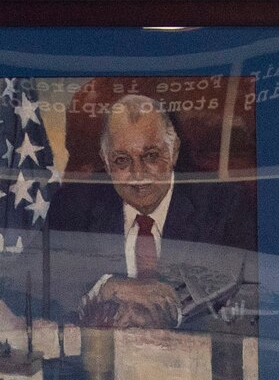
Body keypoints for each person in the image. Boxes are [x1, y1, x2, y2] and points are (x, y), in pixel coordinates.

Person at [46, 93, 256, 331]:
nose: (138, 173)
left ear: (174, 151)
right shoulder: (73, 205)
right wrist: (105, 287)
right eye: (122, 160)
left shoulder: (223, 205)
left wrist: (172, 312)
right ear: (105, 162)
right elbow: (26, 275)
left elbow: (251, 291)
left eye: (151, 156)